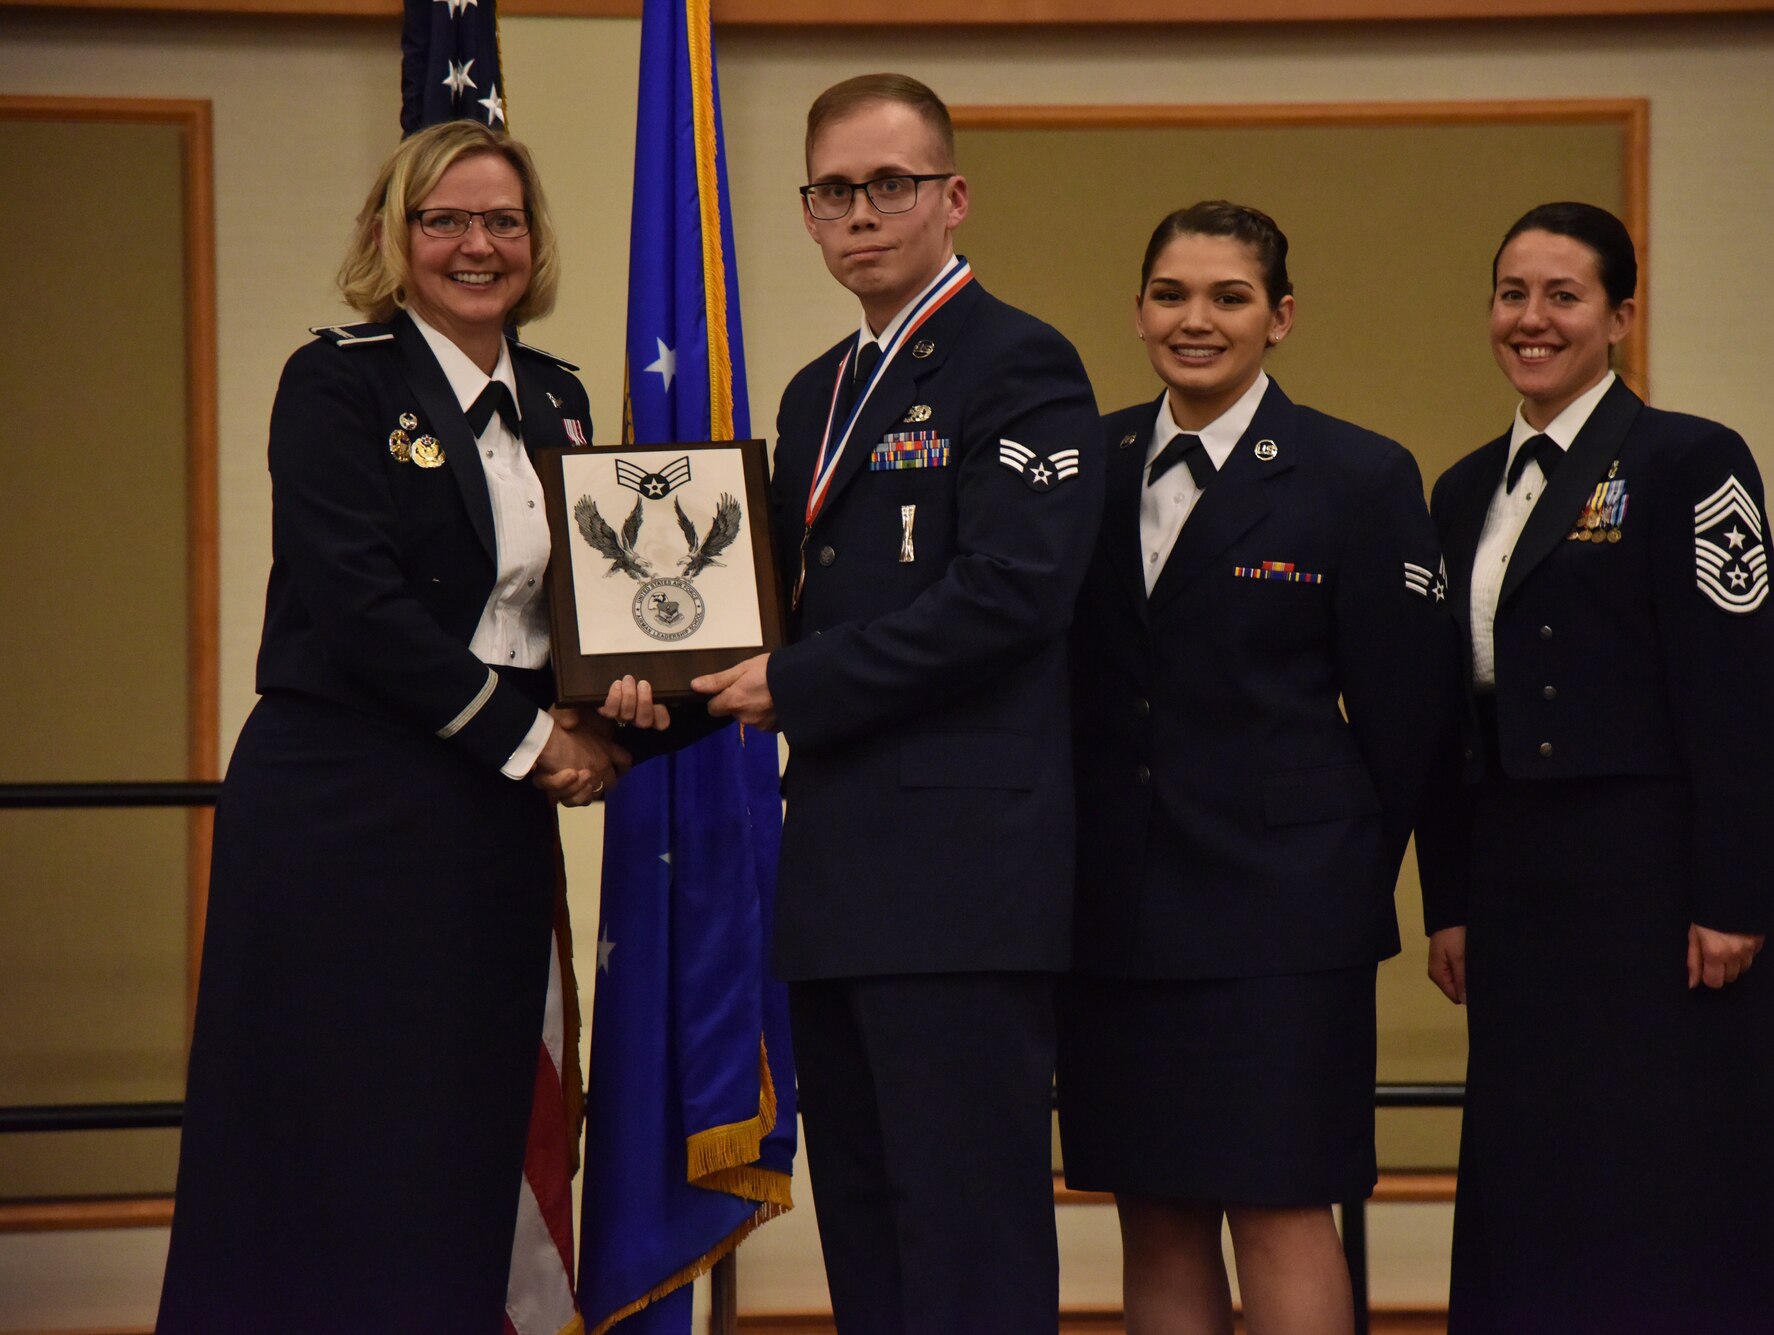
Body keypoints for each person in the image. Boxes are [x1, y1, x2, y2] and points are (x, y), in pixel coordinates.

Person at [157, 120, 680, 1332]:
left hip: (489, 817)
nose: (475, 245)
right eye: (442, 220)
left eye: (502, 221)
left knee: (462, 1128)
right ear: (393, 240)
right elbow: (359, 607)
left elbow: (580, 610)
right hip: (345, 808)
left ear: (535, 242)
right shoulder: (337, 379)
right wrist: (538, 740)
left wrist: (631, 709)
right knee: (330, 1135)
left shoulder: (558, 395)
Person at [687, 74, 1102, 1332]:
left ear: (950, 197)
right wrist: (635, 699)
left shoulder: (1020, 360)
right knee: (865, 1222)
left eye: (888, 186)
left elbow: (1011, 594)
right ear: (807, 213)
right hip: (839, 867)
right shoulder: (818, 391)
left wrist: (795, 681)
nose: (859, 214)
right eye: (832, 192)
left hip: (963, 877)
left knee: (964, 1228)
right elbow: (767, 603)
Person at [1417, 201, 1774, 1332]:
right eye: (1512, 294)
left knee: (1672, 1173)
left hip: (1655, 890)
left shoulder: (1688, 459)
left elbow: (1738, 695)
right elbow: (1448, 723)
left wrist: (1733, 895)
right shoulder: (1461, 492)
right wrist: (1446, 901)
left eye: (1561, 296)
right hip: (1515, 891)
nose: (1530, 319)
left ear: (1619, 316)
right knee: (1534, 1170)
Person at [1055, 201, 1457, 1335]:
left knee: (1280, 1207)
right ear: (1136, 311)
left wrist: (1329, 875)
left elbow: (1403, 720)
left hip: (1279, 921)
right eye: (1171, 295)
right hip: (1116, 916)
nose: (1196, 320)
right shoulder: (1086, 461)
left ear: (1278, 318)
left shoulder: (1356, 475)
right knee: (1155, 1209)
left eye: (1227, 297)